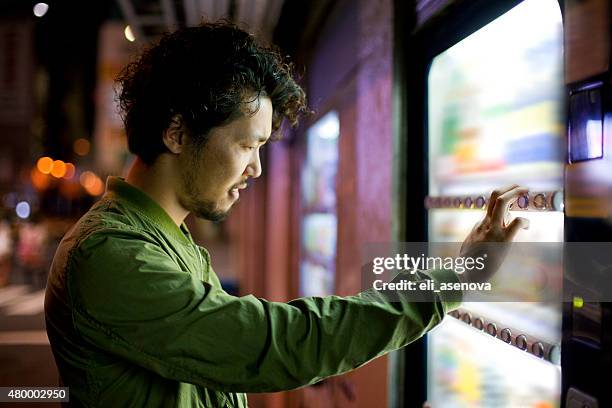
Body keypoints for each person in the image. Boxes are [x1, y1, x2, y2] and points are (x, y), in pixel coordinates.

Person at [44, 21, 529, 407]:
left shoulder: (168, 238)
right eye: (246, 144)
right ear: (176, 133)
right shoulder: (109, 254)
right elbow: (270, 344)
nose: (256, 167)